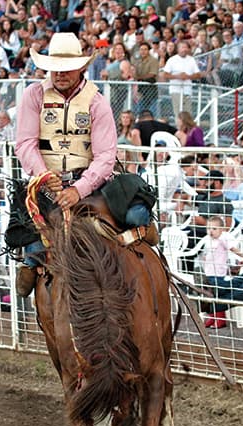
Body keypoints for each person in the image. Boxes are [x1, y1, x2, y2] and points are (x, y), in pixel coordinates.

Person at [12, 33, 153, 298]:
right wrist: (43, 176)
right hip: (45, 183)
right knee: (27, 229)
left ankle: (144, 235)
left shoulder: (96, 101)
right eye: (55, 68)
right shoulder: (34, 95)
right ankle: (33, 265)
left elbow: (104, 157)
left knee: (133, 215)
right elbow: (25, 143)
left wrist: (78, 189)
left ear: (81, 68)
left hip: (88, 183)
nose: (60, 74)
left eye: (66, 69)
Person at [200, 215, 243, 329]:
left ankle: (221, 318)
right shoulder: (209, 240)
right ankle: (212, 316)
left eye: (214, 229)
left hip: (217, 273)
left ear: (222, 230)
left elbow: (233, 248)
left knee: (217, 294)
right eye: (209, 228)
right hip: (208, 272)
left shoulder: (222, 239)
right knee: (208, 294)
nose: (211, 231)